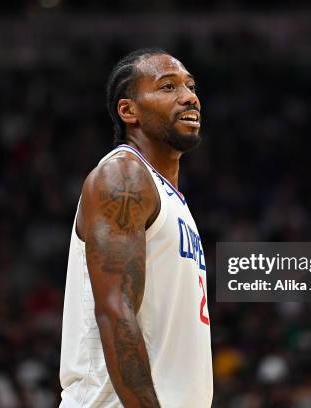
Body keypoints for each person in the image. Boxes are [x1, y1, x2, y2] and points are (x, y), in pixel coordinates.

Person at [59, 48, 213, 407]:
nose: (190, 96)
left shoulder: (167, 195)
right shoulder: (123, 175)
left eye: (190, 86)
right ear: (129, 111)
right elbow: (115, 309)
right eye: (167, 87)